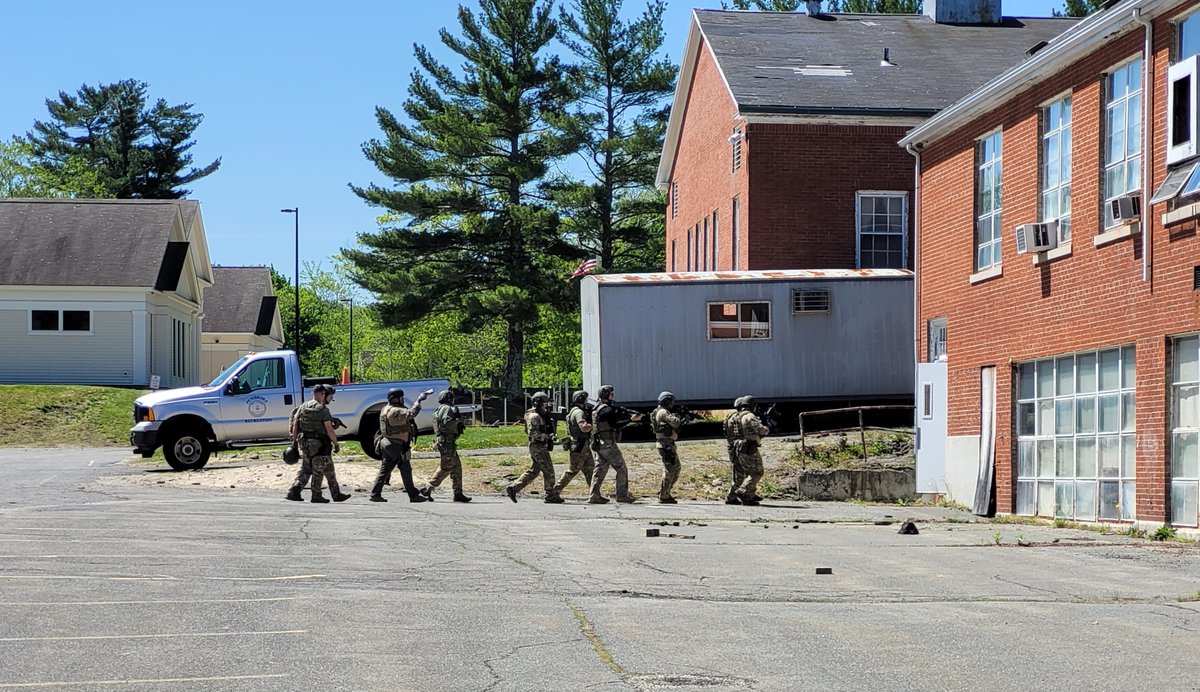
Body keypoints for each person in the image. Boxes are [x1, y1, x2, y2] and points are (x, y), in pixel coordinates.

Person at [285, 384, 350, 503]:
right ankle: (317, 495)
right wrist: (336, 444)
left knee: (308, 469)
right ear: (322, 394)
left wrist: (294, 442)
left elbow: (295, 424)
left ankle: (295, 490)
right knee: (321, 469)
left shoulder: (303, 406)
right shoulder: (322, 409)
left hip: (305, 443)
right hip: (320, 445)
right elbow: (329, 430)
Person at [370, 387, 432, 503]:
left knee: (385, 470)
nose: (402, 399)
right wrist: (419, 400)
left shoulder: (385, 409)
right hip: (395, 445)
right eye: (400, 398)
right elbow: (412, 413)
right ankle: (413, 495)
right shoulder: (395, 411)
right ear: (395, 399)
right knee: (405, 469)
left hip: (387, 443)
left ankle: (375, 494)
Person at [588, 384, 641, 504]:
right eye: (611, 394)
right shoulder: (607, 410)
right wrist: (630, 420)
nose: (613, 395)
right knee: (621, 468)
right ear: (607, 395)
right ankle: (622, 495)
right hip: (608, 443)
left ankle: (594, 495)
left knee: (600, 470)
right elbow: (615, 425)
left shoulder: (598, 408)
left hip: (599, 443)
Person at [506, 392, 561, 503]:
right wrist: (547, 437)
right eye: (544, 403)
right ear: (538, 403)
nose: (546, 406)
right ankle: (550, 494)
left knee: (535, 470)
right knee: (548, 470)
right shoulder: (534, 416)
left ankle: (514, 488)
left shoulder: (540, 414)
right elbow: (533, 433)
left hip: (540, 445)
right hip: (537, 446)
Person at [422, 390, 471, 502]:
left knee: (456, 467)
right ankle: (428, 487)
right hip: (446, 443)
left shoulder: (439, 409)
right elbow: (446, 424)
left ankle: (458, 493)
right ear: (449, 398)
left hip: (446, 442)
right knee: (446, 467)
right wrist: (457, 421)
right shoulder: (447, 409)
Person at [549, 390, 595, 498]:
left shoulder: (573, 411)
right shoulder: (579, 413)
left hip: (582, 444)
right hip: (579, 445)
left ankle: (595, 493)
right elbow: (584, 428)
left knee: (590, 469)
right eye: (585, 399)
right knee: (573, 470)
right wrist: (594, 424)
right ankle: (554, 492)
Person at [731, 395, 769, 506]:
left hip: (739, 446)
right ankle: (744, 491)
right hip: (749, 447)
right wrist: (766, 429)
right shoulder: (749, 416)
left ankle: (749, 495)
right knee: (758, 472)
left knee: (749, 472)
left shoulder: (736, 416)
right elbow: (760, 430)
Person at [651, 391, 686, 504]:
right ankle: (664, 495)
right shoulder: (663, 412)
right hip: (666, 444)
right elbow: (675, 423)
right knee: (670, 470)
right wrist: (679, 417)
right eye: (670, 401)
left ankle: (665, 491)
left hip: (667, 444)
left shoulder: (658, 411)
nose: (672, 404)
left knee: (676, 468)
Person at [723, 397, 747, 505]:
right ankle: (731, 496)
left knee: (738, 472)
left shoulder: (729, 416)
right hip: (737, 447)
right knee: (739, 474)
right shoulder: (738, 417)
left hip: (732, 446)